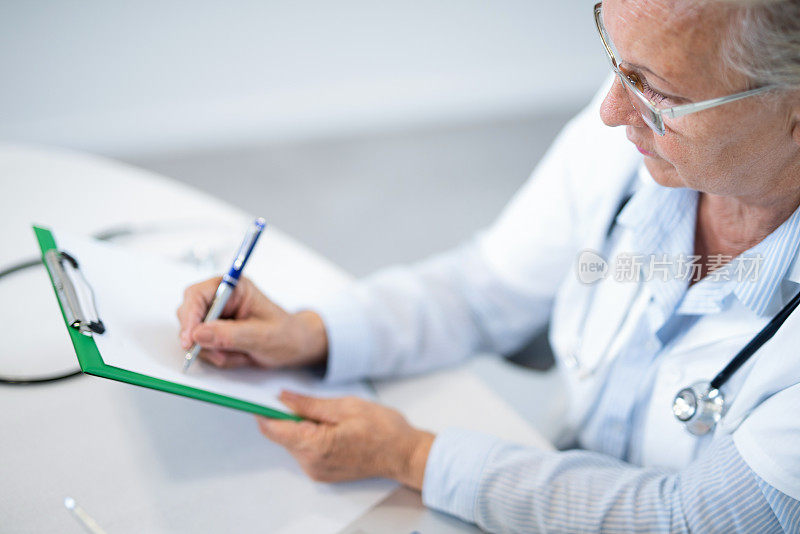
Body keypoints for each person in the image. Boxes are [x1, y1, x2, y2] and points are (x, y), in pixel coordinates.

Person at [177, 0, 800, 531]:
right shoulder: (637, 134)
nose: (611, 110)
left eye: (658, 90)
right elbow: (486, 290)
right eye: (613, 53)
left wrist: (413, 455)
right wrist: (311, 332)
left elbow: (683, 521)